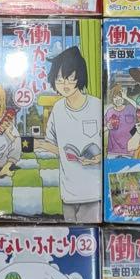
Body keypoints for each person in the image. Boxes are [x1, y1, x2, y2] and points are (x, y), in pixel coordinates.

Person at [36, 47, 102, 222]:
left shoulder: (97, 106)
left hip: (93, 193)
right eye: (59, 79)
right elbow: (55, 146)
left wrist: (97, 159)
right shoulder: (57, 109)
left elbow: (110, 146)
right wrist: (40, 145)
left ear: (79, 77)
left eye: (69, 78)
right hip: (68, 193)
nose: (64, 84)